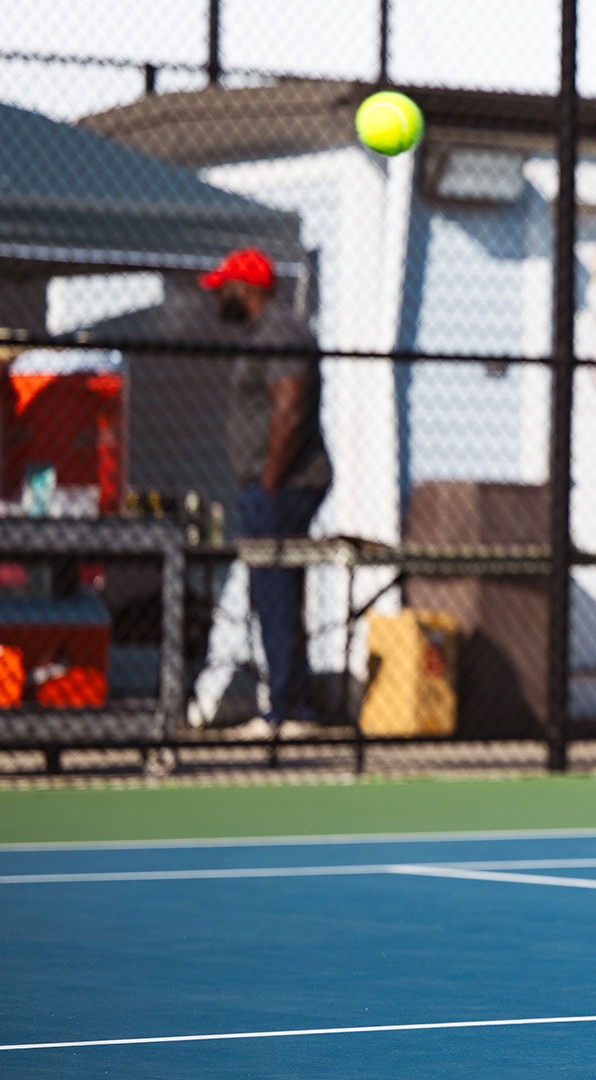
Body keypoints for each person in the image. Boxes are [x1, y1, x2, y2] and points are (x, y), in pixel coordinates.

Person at [202, 249, 332, 741]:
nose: (219, 296)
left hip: (284, 485)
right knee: (271, 590)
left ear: (246, 288)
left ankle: (287, 708)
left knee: (275, 590)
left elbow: (291, 405)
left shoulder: (280, 331)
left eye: (225, 287)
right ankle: (289, 700)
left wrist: (270, 479)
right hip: (269, 485)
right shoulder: (263, 333)